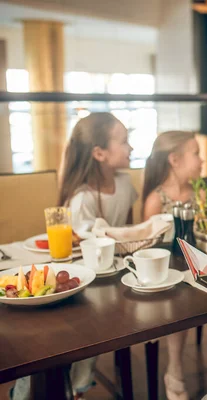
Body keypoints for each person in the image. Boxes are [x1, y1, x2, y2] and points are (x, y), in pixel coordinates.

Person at [11, 112, 138, 400]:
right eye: (124, 141)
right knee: (76, 329)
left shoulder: (126, 185)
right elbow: (83, 246)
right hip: (81, 279)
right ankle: (34, 390)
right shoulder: (81, 198)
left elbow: (126, 231)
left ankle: (76, 389)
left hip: (112, 276)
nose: (130, 147)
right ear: (99, 153)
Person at [142, 131, 207, 400]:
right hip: (172, 276)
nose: (202, 160)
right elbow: (148, 247)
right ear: (174, 160)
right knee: (180, 300)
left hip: (201, 268)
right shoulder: (156, 199)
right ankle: (174, 368)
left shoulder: (202, 192)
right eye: (196, 153)